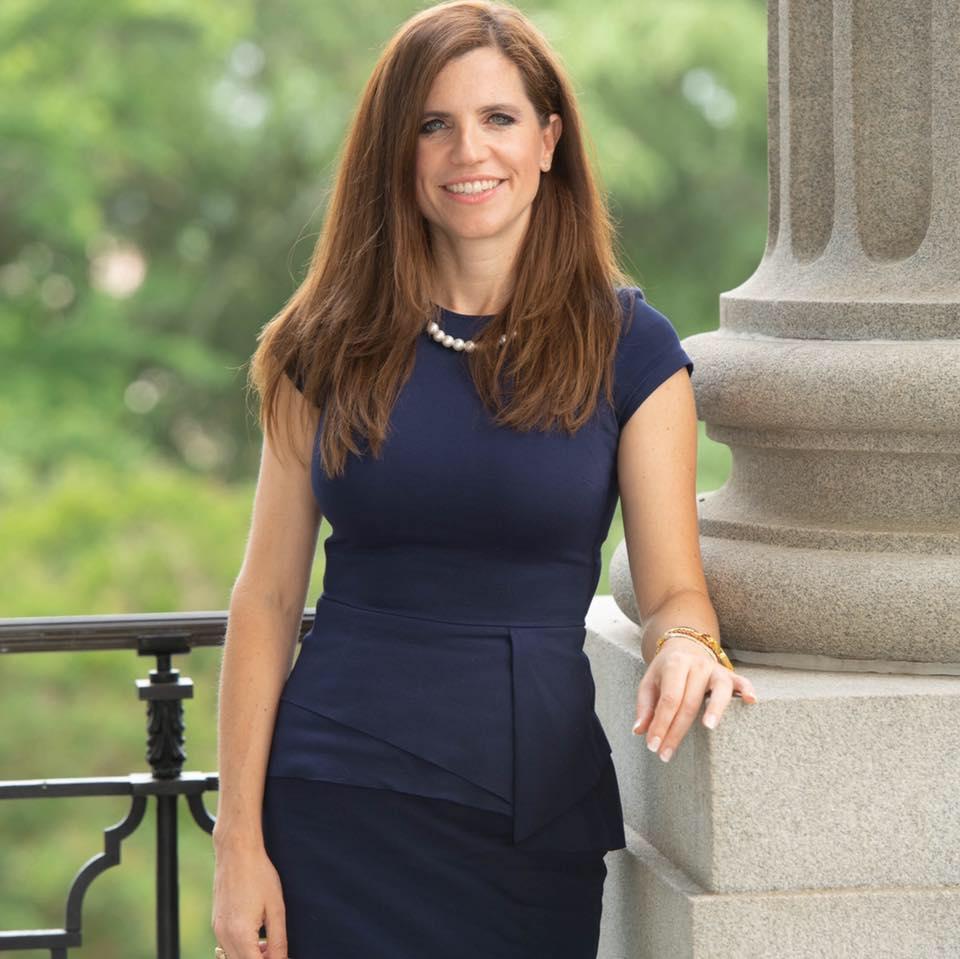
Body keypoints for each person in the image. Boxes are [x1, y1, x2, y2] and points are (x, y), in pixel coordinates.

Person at [211, 2, 759, 957]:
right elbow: (263, 597)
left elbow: (674, 590)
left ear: (549, 141)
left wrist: (689, 646)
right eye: (434, 123)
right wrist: (238, 845)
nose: (470, 150)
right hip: (335, 804)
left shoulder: (634, 351)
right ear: (398, 152)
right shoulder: (321, 346)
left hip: (529, 821)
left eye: (499, 119)